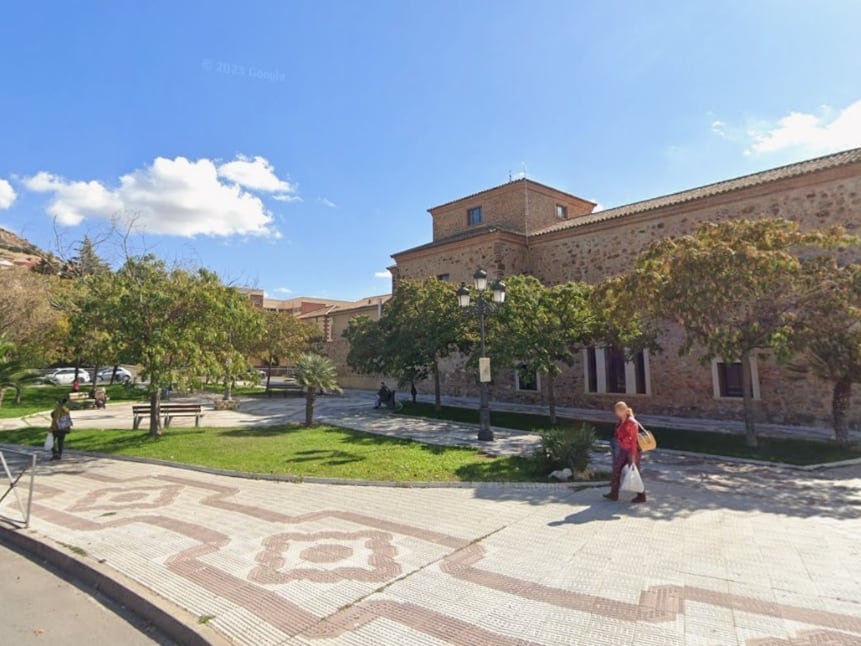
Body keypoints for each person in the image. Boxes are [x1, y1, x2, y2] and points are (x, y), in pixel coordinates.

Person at [604, 401, 646, 503]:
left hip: (632, 450)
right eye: (616, 411)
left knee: (635, 472)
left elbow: (634, 441)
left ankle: (641, 495)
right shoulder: (621, 421)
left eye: (618, 411)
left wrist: (633, 455)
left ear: (623, 410)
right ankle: (614, 493)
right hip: (623, 449)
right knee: (616, 468)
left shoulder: (632, 423)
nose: (616, 413)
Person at [50, 397, 73, 461]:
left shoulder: (57, 410)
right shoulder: (66, 410)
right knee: (60, 442)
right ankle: (59, 454)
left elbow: (52, 415)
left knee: (50, 441)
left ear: (59, 403)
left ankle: (55, 454)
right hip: (63, 428)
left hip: (56, 428)